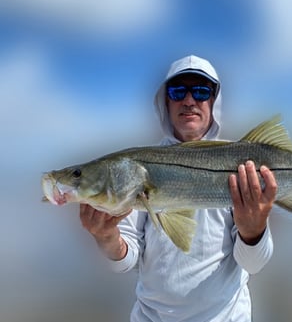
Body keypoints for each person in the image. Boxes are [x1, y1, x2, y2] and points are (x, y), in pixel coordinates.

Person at [79, 55, 277, 322]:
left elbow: (253, 264)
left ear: (214, 101)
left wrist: (254, 231)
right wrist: (105, 237)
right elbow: (127, 260)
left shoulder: (243, 165)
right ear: (165, 101)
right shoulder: (137, 167)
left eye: (201, 91)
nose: (189, 100)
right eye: (177, 91)